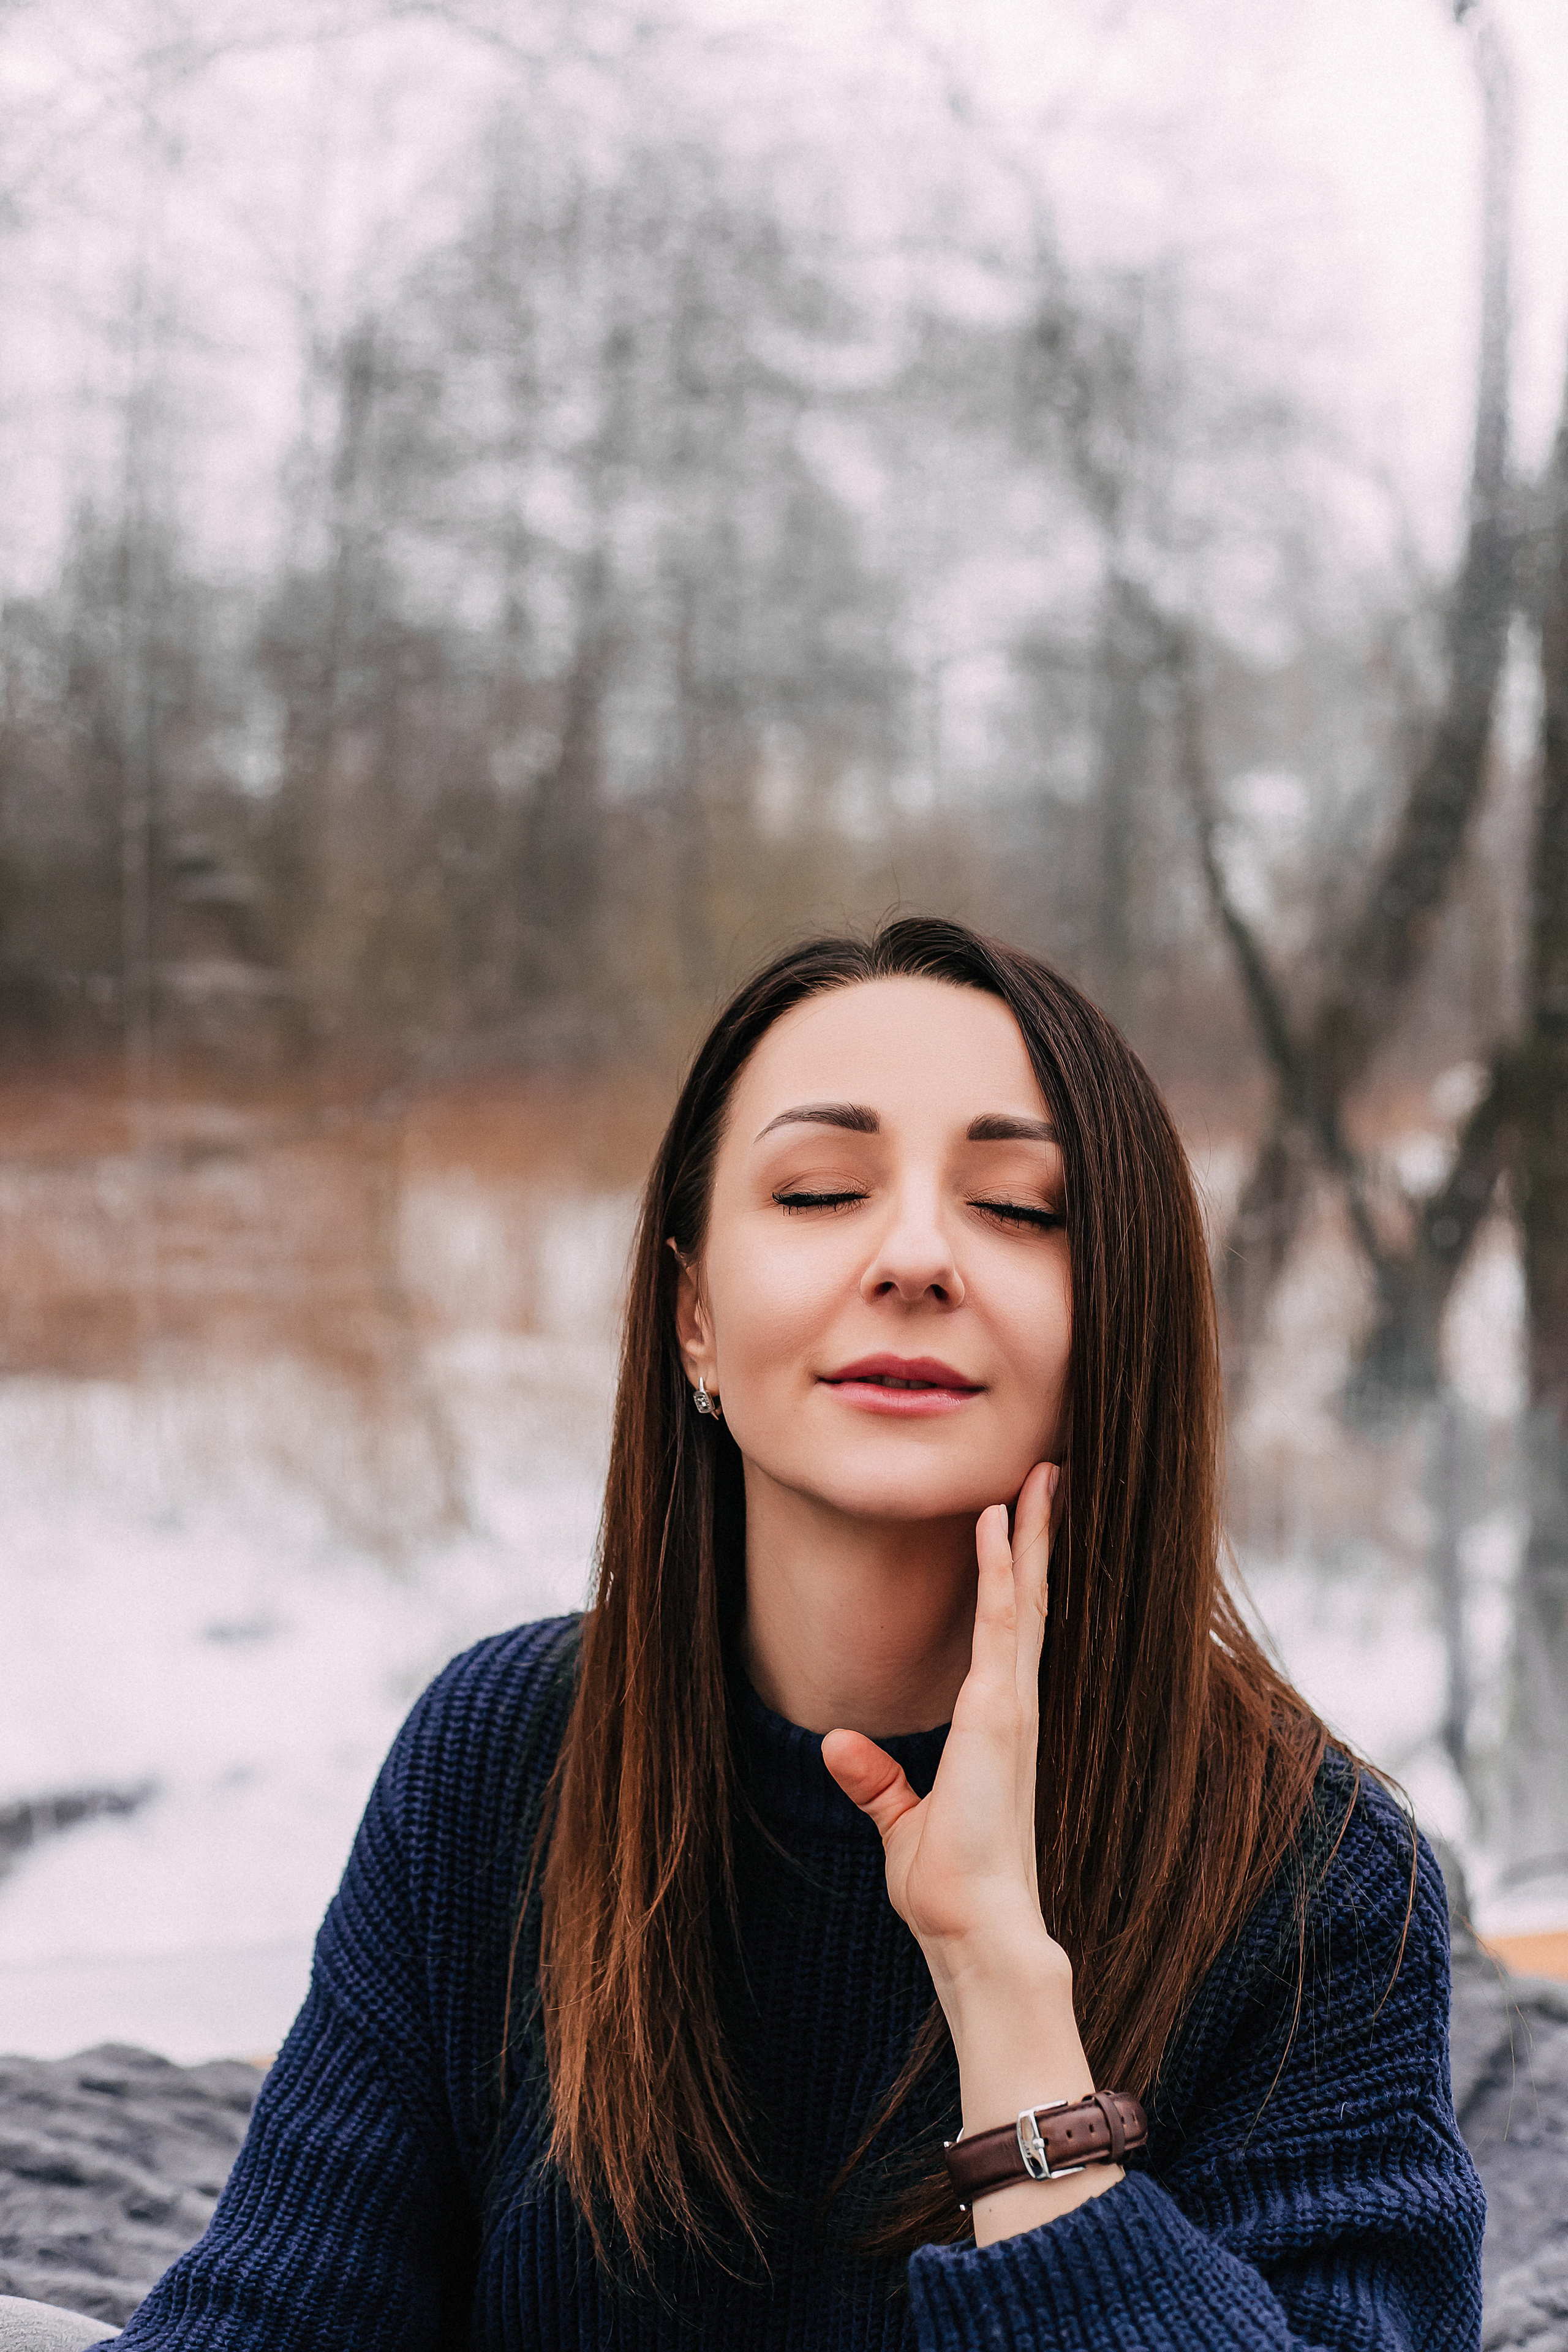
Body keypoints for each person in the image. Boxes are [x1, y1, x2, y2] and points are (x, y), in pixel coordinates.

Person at [26, 918, 1480, 2348]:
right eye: (816, 1192)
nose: (914, 1255)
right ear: (693, 1321)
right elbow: (274, 2312)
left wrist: (1000, 1985)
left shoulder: (1315, 1872)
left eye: (1020, 1207)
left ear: (1119, 1327)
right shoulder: (497, 1757)